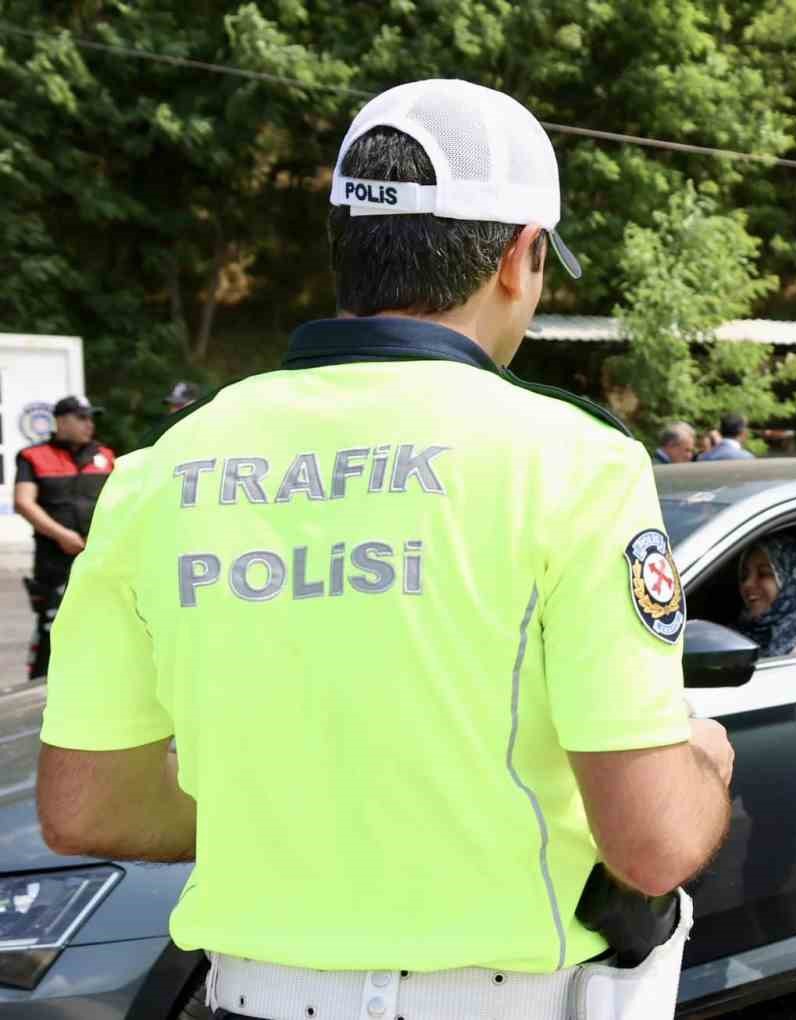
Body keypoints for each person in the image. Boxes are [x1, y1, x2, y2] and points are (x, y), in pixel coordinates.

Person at [35, 79, 735, 1020]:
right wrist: (706, 762)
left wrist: (295, 822)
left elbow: (88, 806)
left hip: (250, 1002)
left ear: (348, 246)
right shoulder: (574, 460)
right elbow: (652, 843)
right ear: (520, 257)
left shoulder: (159, 472)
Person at [13, 395, 115, 680]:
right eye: (81, 417)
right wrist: (62, 535)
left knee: (103, 628)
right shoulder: (33, 456)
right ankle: (40, 692)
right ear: (60, 421)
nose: (89, 424)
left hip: (98, 561)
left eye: (91, 418)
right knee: (52, 629)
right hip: (54, 561)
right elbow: (23, 502)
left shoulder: (105, 456)